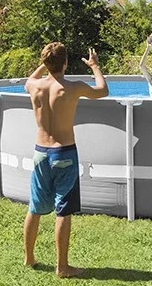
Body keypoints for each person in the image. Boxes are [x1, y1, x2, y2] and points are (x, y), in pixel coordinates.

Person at [22, 42, 109, 278]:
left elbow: (30, 79)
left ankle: (29, 258)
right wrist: (94, 66)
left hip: (40, 153)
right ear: (66, 63)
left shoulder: (34, 86)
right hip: (64, 153)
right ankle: (62, 267)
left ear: (45, 62)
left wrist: (46, 64)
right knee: (63, 211)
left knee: (35, 208)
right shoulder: (72, 87)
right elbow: (103, 90)